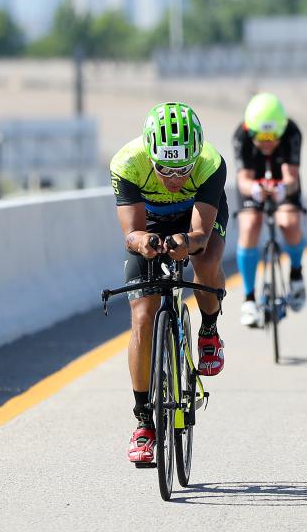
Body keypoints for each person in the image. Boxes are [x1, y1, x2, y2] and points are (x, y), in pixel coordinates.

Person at [110, 102, 228, 466]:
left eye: (183, 168)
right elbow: (131, 234)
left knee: (205, 262)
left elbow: (200, 235)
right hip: (150, 224)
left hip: (194, 220)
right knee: (143, 317)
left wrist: (186, 243)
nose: (175, 178)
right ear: (149, 153)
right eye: (164, 168)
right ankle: (144, 422)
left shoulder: (210, 163)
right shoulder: (127, 163)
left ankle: (209, 331)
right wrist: (144, 242)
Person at [232, 93, 306, 328]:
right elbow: (243, 179)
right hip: (254, 183)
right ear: (249, 130)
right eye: (260, 138)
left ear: (281, 131)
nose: (266, 144)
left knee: (289, 222)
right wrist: (254, 189)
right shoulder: (241, 136)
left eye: (272, 138)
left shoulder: (292, 132)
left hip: (282, 179)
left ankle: (296, 274)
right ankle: (249, 299)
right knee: (251, 224)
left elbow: (291, 178)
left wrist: (283, 189)